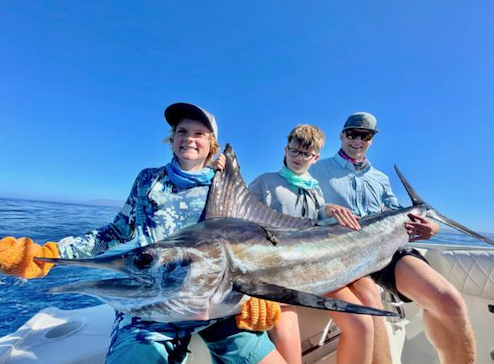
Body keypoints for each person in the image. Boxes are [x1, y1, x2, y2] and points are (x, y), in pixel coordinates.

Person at [0, 102, 287, 364]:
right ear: (172, 138)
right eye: (182, 131)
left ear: (211, 143)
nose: (189, 138)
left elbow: (249, 247)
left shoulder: (224, 184)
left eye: (200, 133)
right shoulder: (149, 180)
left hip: (217, 305)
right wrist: (51, 254)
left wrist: (259, 289)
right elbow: (114, 232)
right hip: (153, 304)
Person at [310, 112, 476, 364]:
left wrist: (433, 228)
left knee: (448, 299)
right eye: (352, 134)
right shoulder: (317, 170)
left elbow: (397, 215)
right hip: (344, 253)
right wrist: (328, 210)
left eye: (365, 136)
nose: (358, 140)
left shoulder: (380, 178)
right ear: (341, 135)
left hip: (386, 249)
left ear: (372, 140)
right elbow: (304, 209)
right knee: (370, 301)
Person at [248, 124, 373, 364]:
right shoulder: (265, 182)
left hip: (315, 268)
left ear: (315, 158)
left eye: (306, 154)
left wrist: (329, 208)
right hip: (278, 276)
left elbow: (317, 213)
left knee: (362, 323)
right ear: (285, 149)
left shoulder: (315, 189)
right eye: (294, 151)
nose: (298, 158)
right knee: (290, 352)